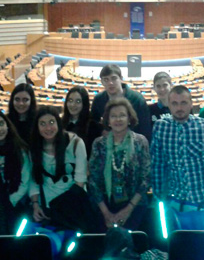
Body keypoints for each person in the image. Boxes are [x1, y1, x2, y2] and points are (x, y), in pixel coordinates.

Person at [151, 85, 204, 230]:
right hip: (175, 204)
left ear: (191, 104)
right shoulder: (161, 127)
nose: (179, 108)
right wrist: (159, 197)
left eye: (184, 103)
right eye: (175, 103)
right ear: (169, 105)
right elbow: (157, 165)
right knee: (181, 248)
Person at [29, 106, 96, 232]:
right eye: (42, 124)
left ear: (58, 123)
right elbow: (34, 179)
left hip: (73, 204)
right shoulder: (34, 148)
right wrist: (35, 204)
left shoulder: (75, 143)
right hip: (48, 207)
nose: (48, 128)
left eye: (52, 122)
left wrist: (62, 206)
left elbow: (80, 180)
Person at [89, 98, 150, 231]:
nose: (118, 119)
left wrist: (128, 210)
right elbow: (93, 180)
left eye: (122, 115)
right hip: (105, 205)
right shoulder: (99, 144)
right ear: (108, 121)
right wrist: (106, 213)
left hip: (135, 205)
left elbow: (146, 178)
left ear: (129, 119)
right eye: (113, 116)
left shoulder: (140, 142)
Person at [90, 64, 152, 141]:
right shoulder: (98, 100)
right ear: (102, 82)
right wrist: (102, 131)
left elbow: (145, 128)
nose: (110, 83)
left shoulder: (137, 99)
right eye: (106, 79)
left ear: (121, 78)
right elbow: (93, 124)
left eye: (114, 78)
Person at [62, 86, 103, 157]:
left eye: (78, 101)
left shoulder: (93, 126)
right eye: (70, 100)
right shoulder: (61, 123)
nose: (73, 105)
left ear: (84, 104)